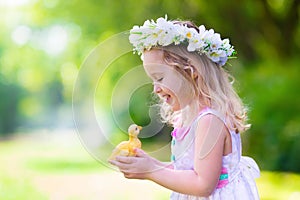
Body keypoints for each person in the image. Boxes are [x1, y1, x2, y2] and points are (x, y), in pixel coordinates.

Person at [109, 16, 260, 199]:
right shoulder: (192, 118)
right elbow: (187, 169)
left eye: (160, 78)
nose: (155, 89)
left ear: (191, 71)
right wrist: (153, 165)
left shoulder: (210, 120)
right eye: (152, 80)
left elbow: (203, 184)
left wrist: (151, 172)